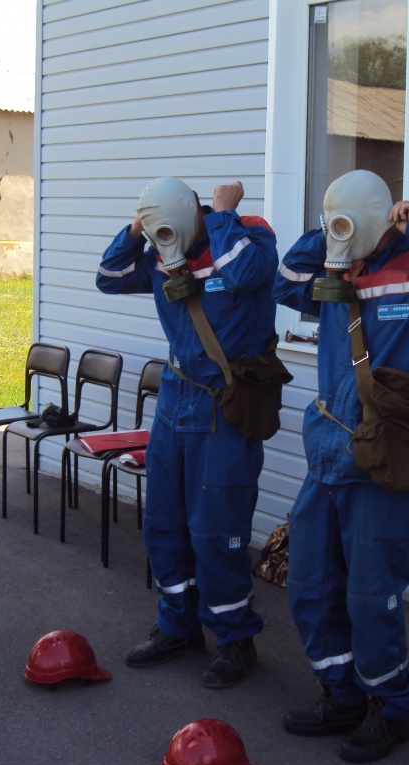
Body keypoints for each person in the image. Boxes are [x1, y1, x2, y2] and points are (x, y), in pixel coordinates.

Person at [273, 170, 409, 762]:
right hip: (328, 457)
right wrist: (331, 235)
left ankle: (391, 708)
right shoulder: (337, 273)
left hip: (383, 461)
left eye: (350, 219)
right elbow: (283, 283)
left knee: (370, 597)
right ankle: (340, 694)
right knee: (311, 585)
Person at [97, 177, 279, 689]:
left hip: (225, 401)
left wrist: (223, 214)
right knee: (165, 521)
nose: (165, 248)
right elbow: (108, 277)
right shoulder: (159, 250)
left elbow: (247, 272)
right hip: (176, 396)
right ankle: (178, 625)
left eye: (168, 233)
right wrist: (136, 231)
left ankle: (235, 639)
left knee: (216, 529)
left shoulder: (246, 234)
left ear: (195, 217)